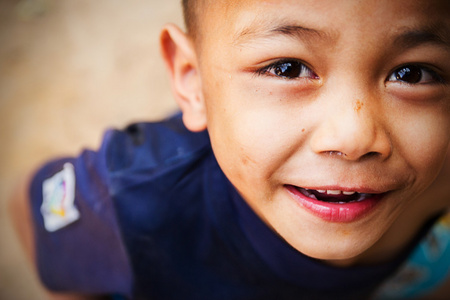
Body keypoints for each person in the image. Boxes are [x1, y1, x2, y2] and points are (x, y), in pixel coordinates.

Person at [10, 0, 450, 299]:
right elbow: (24, 207)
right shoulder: (134, 197)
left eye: (413, 74)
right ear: (192, 79)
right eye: (287, 68)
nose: (354, 138)